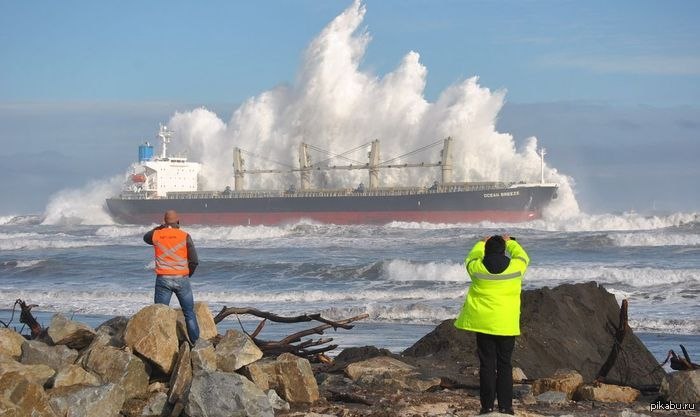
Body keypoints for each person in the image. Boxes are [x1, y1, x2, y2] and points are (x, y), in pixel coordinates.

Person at [454, 234, 530, 415]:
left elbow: (470, 258)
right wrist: (511, 242)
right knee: (505, 364)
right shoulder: (516, 267)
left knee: (487, 365)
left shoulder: (477, 268)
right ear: (504, 250)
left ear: (486, 250)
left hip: (483, 324)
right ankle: (506, 407)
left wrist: (481, 242)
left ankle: (487, 406)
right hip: (506, 324)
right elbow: (523, 257)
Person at [143, 210, 200, 344]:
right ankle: (196, 343)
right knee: (189, 313)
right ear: (178, 221)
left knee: (160, 313)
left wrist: (160, 227)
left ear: (164, 221)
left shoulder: (157, 235)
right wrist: (187, 275)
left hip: (163, 279)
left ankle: (161, 343)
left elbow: (146, 237)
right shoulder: (185, 236)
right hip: (182, 278)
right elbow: (194, 261)